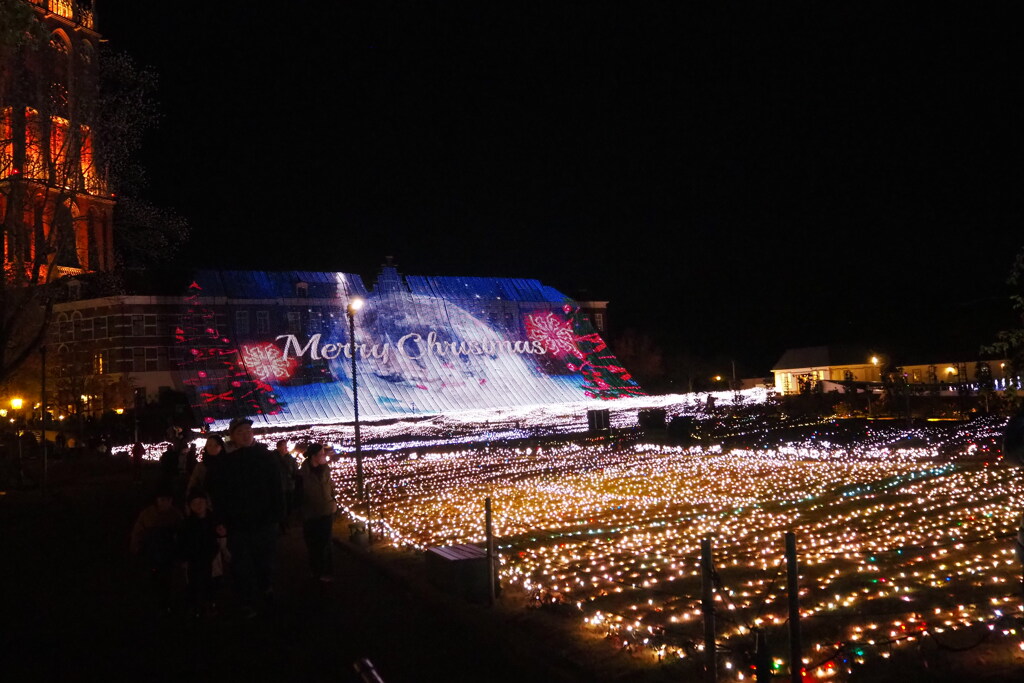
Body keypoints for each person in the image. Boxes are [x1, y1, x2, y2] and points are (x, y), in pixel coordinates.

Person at [206, 417, 284, 616]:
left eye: (248, 431)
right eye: (241, 432)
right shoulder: (227, 462)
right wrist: (220, 520)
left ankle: (265, 588)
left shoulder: (265, 456)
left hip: (264, 520)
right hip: (238, 523)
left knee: (264, 559)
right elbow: (219, 494)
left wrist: (278, 514)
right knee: (241, 564)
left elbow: (277, 487)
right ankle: (245, 599)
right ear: (232, 437)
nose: (246, 434)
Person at [130, 486, 183, 612]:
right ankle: (154, 602)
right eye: (162, 500)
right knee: (154, 578)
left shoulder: (175, 514)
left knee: (167, 579)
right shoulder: (148, 514)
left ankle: (165, 602)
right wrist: (135, 547)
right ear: (157, 500)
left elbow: (182, 533)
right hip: (152, 553)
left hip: (169, 554)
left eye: (168, 500)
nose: (165, 503)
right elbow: (138, 532)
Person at [296, 443, 337, 581]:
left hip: (326, 510)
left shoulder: (326, 469)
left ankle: (327, 572)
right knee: (313, 544)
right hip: (311, 514)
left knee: (326, 543)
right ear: (313, 457)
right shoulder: (302, 475)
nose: (324, 456)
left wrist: (333, 501)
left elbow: (331, 487)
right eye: (321, 454)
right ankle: (316, 570)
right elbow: (298, 496)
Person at [187, 435, 226, 503]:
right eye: (209, 445)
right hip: (206, 503)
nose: (212, 448)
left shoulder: (228, 463)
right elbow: (193, 484)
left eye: (216, 445)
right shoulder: (201, 466)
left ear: (221, 447)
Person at [275, 439, 299, 531]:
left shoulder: (291, 459)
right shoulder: (273, 459)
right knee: (281, 506)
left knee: (289, 506)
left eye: (286, 446)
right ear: (278, 447)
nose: (286, 448)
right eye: (283, 446)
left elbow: (295, 472)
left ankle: (287, 523)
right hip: (278, 488)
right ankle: (282, 524)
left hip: (289, 487)